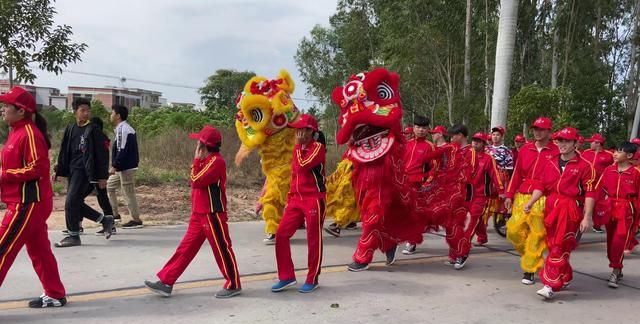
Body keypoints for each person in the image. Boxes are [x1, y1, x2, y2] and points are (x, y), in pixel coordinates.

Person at [145, 125, 241, 298]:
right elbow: (194, 181)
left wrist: (196, 160)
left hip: (212, 214)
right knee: (185, 248)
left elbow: (196, 180)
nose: (196, 146)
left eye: (199, 143)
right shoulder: (207, 160)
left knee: (222, 249)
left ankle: (233, 284)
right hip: (199, 213)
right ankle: (166, 281)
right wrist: (198, 161)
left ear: (204, 146)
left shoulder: (216, 161)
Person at [0, 86, 67, 308]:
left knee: (3, 249)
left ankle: (55, 292)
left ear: (21, 111)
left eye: (7, 106)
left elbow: (37, 168)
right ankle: (55, 294)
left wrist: (4, 175)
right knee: (39, 249)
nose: (3, 110)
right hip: (25, 202)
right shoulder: (16, 130)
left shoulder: (29, 134)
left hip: (27, 204)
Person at [523, 127, 595, 299]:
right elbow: (541, 185)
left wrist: (587, 217)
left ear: (576, 143)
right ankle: (566, 276)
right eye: (559, 141)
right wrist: (531, 202)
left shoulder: (585, 166)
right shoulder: (551, 162)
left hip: (570, 209)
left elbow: (591, 192)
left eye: (566, 141)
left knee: (558, 246)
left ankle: (550, 285)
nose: (562, 144)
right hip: (551, 207)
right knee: (553, 244)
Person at [271, 114, 326, 293]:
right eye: (297, 129)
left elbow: (303, 165)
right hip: (295, 199)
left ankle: (312, 278)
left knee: (313, 239)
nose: (298, 133)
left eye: (302, 129)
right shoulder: (298, 149)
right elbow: (294, 175)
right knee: (281, 235)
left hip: (314, 199)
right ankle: (286, 276)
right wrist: (289, 199)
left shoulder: (317, 148)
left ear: (311, 132)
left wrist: (297, 147)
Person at [504, 117, 559, 285]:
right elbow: (517, 173)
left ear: (549, 131)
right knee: (513, 230)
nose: (537, 132)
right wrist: (509, 194)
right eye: (535, 129)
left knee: (536, 235)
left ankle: (529, 269)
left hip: (543, 197)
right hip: (522, 195)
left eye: (541, 129)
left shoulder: (556, 151)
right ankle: (530, 257)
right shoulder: (525, 149)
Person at [54, 98, 114, 247]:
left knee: (70, 203)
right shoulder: (71, 128)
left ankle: (74, 235)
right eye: (82, 110)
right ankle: (104, 220)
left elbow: (102, 154)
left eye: (88, 110)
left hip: (85, 171)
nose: (86, 113)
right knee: (74, 203)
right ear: (75, 111)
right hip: (72, 170)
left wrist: (102, 176)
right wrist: (59, 170)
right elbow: (64, 151)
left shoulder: (93, 130)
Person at [590, 141, 640, 288]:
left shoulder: (636, 173)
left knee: (620, 241)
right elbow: (599, 190)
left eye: (620, 151)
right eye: (615, 151)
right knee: (611, 241)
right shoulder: (609, 170)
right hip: (610, 208)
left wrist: (637, 217)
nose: (615, 154)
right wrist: (594, 208)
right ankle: (617, 265)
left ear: (629, 155)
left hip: (626, 210)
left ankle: (616, 270)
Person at [402, 116, 437, 255]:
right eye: (418, 127)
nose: (421, 130)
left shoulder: (429, 146)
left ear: (428, 130)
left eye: (424, 128)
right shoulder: (406, 144)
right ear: (414, 128)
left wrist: (426, 184)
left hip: (418, 186)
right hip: (403, 184)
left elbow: (434, 168)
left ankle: (411, 241)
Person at [466, 132, 504, 250]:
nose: (475, 143)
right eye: (474, 140)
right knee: (477, 218)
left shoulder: (488, 158)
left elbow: (495, 175)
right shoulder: (467, 155)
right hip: (466, 193)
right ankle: (482, 237)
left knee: (474, 217)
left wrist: (501, 190)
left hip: (481, 195)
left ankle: (464, 243)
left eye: (478, 141)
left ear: (483, 144)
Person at [107, 105, 142, 229]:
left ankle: (136, 219)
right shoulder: (121, 128)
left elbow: (122, 150)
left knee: (128, 193)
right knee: (110, 186)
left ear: (118, 116)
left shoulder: (123, 129)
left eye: (112, 113)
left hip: (126, 167)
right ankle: (115, 215)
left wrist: (115, 166)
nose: (110, 115)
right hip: (122, 167)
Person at [582, 133, 614, 233]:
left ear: (598, 143)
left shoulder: (609, 155)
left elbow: (614, 166)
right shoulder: (586, 153)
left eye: (592, 142)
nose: (590, 144)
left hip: (599, 183)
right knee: (583, 201)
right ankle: (580, 221)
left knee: (599, 204)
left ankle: (597, 225)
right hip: (586, 182)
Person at [91, 117, 117, 236]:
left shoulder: (99, 139)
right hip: (97, 173)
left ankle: (109, 224)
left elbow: (102, 158)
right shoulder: (102, 138)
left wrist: (102, 175)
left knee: (102, 198)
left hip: (97, 173)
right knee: (102, 198)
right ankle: (110, 224)